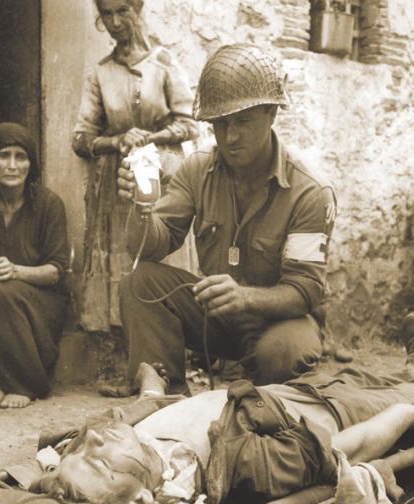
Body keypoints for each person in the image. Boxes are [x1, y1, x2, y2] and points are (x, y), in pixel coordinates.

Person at [31, 311, 414, 504]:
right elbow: (340, 451)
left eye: (80, 448)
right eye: (98, 461)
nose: (93, 442)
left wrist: (151, 386)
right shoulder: (241, 467)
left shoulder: (131, 440)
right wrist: (403, 415)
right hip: (339, 414)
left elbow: (142, 410)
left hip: (288, 390)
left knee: (364, 372)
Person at [117, 43, 337, 392]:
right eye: (220, 125)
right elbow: (147, 250)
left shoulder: (309, 191)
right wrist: (140, 209)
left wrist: (246, 298)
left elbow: (305, 290)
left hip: (279, 322)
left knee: (282, 352)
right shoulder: (198, 169)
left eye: (242, 122)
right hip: (216, 317)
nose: (230, 137)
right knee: (139, 283)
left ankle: (268, 405)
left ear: (271, 114)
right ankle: (165, 397)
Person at [72, 0, 199, 332]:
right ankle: (120, 355)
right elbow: (81, 138)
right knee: (121, 264)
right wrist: (118, 141)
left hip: (164, 178)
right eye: (106, 15)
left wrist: (150, 139)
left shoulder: (164, 64)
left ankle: (170, 348)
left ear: (137, 10)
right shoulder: (101, 72)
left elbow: (189, 124)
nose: (115, 22)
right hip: (117, 185)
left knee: (159, 253)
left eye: (122, 11)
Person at [0, 123, 70, 410]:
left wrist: (15, 270)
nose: (12, 165)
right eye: (3, 155)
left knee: (3, 293)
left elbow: (56, 271)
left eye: (20, 157)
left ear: (31, 164)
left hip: (43, 303)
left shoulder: (49, 205)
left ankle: (22, 383)